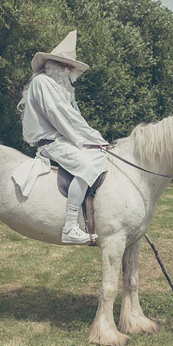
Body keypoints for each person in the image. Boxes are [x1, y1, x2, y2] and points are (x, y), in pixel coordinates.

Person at [16, 30, 109, 244]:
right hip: (52, 143)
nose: (70, 70)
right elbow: (62, 118)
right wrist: (95, 141)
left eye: (71, 67)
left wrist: (97, 141)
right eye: (66, 65)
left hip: (63, 140)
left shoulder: (62, 90)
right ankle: (70, 227)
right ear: (54, 65)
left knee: (98, 156)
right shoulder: (43, 83)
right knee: (88, 163)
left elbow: (75, 120)